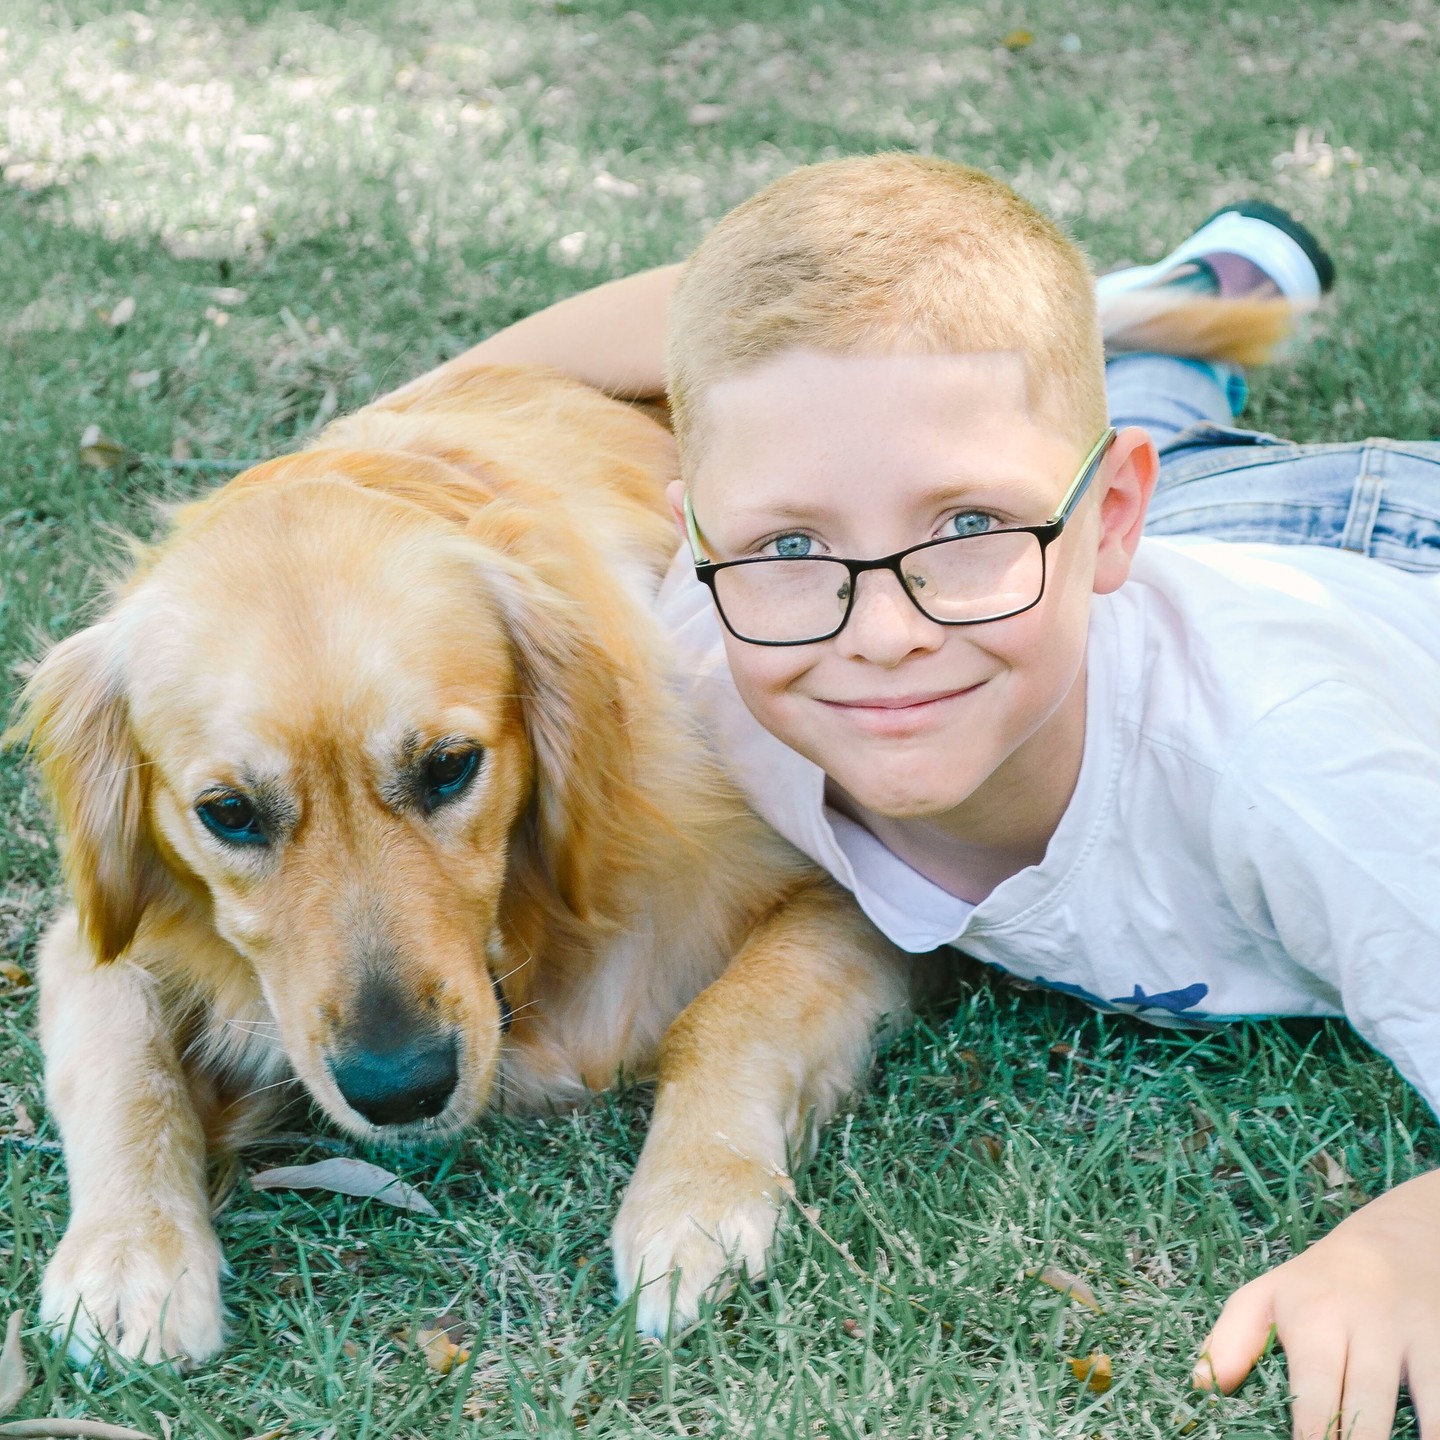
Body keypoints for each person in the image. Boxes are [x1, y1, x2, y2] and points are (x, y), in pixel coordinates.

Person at [416, 155, 1440, 1440]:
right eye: (791, 544)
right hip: (1137, 551)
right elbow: (654, 330)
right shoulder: (707, 662)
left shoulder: (1299, 782)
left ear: (1110, 520)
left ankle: (1174, 325)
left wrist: (1412, 1237)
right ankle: (1192, 302)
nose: (884, 634)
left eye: (964, 524)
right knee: (1057, 465)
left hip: (1378, 541)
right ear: (699, 545)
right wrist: (409, 408)